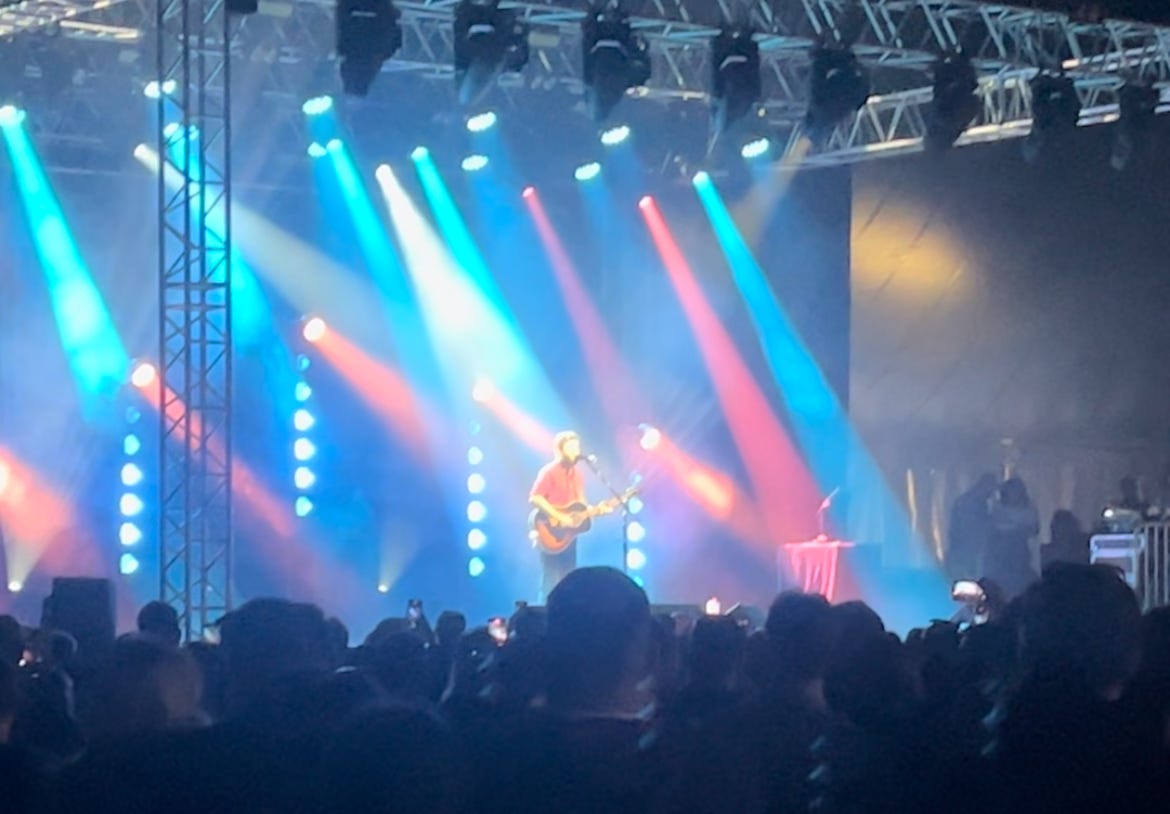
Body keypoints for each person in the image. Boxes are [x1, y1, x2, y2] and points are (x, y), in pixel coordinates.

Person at [529, 431, 598, 599]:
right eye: (571, 447)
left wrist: (594, 511)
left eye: (577, 447)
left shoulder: (577, 474)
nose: (576, 451)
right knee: (551, 578)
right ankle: (545, 610)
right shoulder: (549, 471)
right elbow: (535, 497)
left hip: (569, 535)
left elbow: (580, 503)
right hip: (550, 530)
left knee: (569, 577)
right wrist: (560, 517)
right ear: (560, 450)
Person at [985, 477, 1040, 599]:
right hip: (1001, 560)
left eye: (1016, 491)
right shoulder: (998, 509)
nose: (1014, 494)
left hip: (1020, 557)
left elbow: (1034, 529)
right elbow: (995, 528)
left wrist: (1018, 531)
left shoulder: (1029, 509)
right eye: (1011, 491)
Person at [945, 474, 998, 580]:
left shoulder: (979, 502)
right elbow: (971, 528)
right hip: (964, 551)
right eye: (991, 488)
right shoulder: (969, 502)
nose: (991, 493)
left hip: (967, 551)